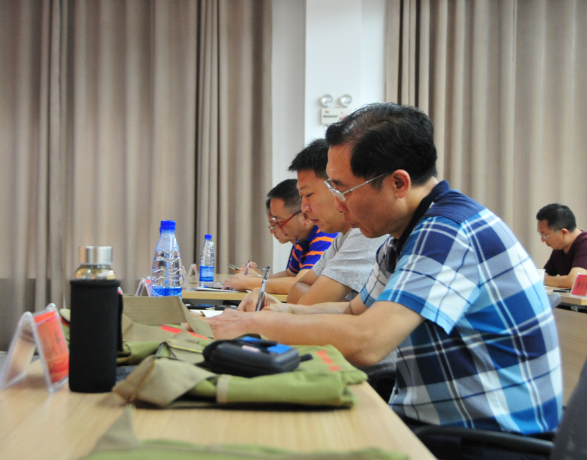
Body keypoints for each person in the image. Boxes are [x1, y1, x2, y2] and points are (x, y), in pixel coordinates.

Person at [208, 103, 561, 460]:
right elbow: (353, 312)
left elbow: (367, 340)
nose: (339, 204)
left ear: (398, 183)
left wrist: (256, 324)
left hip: (489, 443)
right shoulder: (405, 235)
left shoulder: (448, 230)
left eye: (343, 189)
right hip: (446, 428)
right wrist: (282, 311)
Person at [239, 139, 386, 310]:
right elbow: (297, 292)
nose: (304, 208)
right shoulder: (342, 237)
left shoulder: (364, 234)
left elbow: (305, 305)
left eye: (308, 195)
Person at [223, 179, 336, 295]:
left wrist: (248, 282)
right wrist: (257, 277)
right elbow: (290, 274)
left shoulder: (326, 236)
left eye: (280, 222)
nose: (276, 228)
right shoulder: (302, 239)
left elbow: (299, 283)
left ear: (305, 217)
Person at [536, 203, 587, 289]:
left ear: (563, 232)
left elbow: (575, 281)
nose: (543, 240)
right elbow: (546, 274)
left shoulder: (585, 244)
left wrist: (539, 278)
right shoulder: (559, 248)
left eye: (545, 236)